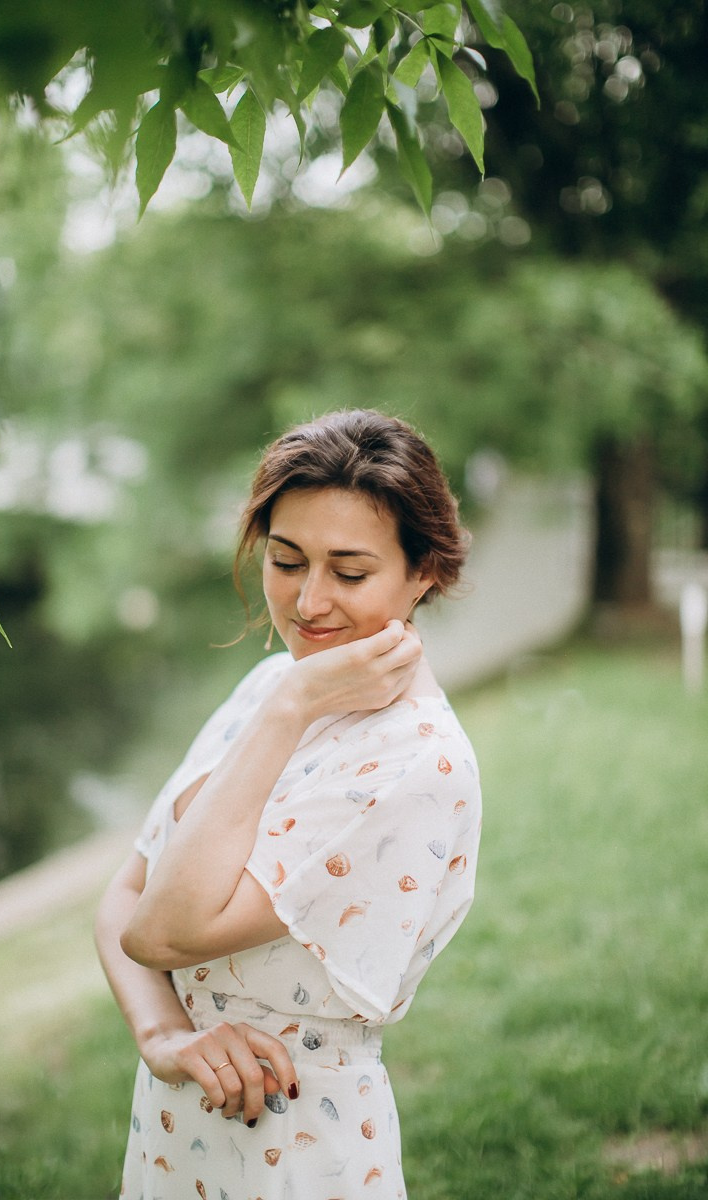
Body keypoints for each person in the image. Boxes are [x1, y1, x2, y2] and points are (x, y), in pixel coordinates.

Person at [95, 409, 482, 1200]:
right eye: (285, 560)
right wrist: (164, 1035)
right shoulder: (271, 688)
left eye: (349, 572)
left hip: (296, 1146)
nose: (308, 603)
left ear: (425, 573)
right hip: (174, 1132)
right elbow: (124, 893)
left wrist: (290, 706)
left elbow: (163, 932)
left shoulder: (413, 764)